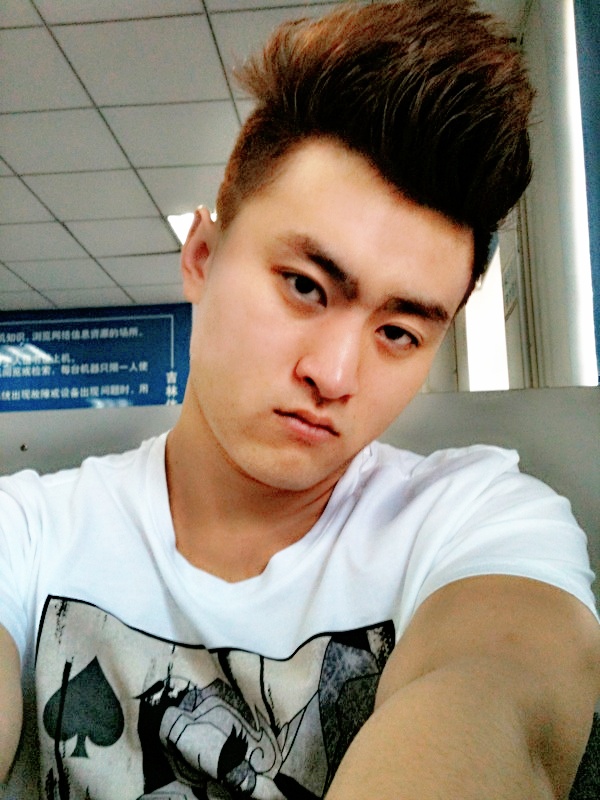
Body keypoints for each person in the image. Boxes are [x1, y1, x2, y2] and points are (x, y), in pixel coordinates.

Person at [1, 1, 599, 798]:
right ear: (203, 256)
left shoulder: (478, 522)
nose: (335, 373)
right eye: (306, 287)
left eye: (399, 331)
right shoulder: (27, 532)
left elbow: (502, 707)